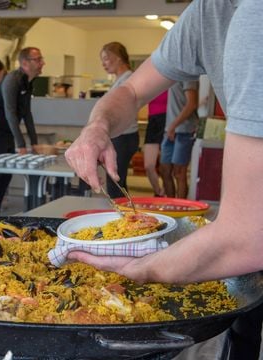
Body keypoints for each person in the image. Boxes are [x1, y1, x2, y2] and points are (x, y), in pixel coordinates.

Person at [65, 1, 263, 358]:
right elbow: (131, 91)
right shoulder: (208, 12)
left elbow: (243, 239)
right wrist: (97, 126)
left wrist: (136, 268)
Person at [0, 46, 43, 214]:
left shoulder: (28, 82)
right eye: (37, 60)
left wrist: (34, 142)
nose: (42, 63)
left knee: (5, 177)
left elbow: (26, 113)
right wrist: (22, 144)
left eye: (40, 59)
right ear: (24, 63)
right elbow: (10, 113)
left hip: (7, 133)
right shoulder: (11, 80)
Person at [99, 42, 139, 198]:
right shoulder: (121, 79)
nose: (103, 64)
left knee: (114, 182)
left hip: (124, 137)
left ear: (118, 58)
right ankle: (128, 217)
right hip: (123, 136)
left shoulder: (127, 80)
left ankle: (119, 217)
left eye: (106, 59)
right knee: (119, 182)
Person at [159, 81, 199, 198]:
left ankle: (180, 209)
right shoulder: (173, 74)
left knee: (179, 173)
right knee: (164, 170)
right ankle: (170, 206)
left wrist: (173, 125)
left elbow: (192, 104)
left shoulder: (188, 75)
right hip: (170, 130)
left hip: (184, 131)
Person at [143, 90, 168, 197]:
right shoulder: (150, 81)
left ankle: (164, 193)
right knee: (149, 165)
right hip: (153, 120)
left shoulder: (173, 81)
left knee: (166, 167)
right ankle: (159, 192)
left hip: (168, 119)